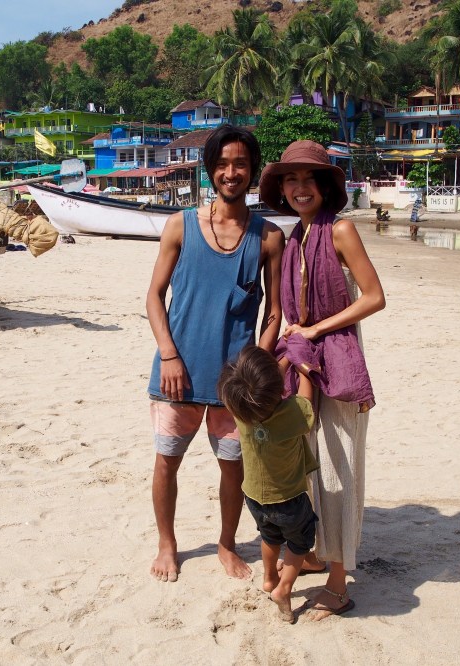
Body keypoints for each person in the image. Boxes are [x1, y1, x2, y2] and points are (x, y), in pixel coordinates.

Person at [146, 124, 285, 583]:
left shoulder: (268, 238)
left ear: (253, 170)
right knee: (167, 461)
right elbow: (154, 297)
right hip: (178, 375)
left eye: (240, 164)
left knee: (233, 468)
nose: (231, 172)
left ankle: (226, 544)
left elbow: (274, 311)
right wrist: (169, 354)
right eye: (222, 164)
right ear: (210, 170)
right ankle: (167, 544)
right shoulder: (180, 226)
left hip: (236, 383)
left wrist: (256, 369)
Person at [259, 140, 386, 619]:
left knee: (339, 467)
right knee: (309, 466)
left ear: (325, 186)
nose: (299, 188)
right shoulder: (296, 236)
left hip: (339, 362)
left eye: (308, 179)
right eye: (291, 180)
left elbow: (373, 297)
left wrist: (315, 329)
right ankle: (313, 553)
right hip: (305, 362)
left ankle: (338, 583)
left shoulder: (340, 230)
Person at [217, 345, 318, 623]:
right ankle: (283, 588)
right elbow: (307, 401)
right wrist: (302, 366)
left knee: (270, 537)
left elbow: (261, 388)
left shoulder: (241, 411)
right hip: (289, 498)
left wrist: (283, 361)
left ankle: (269, 577)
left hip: (254, 497)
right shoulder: (292, 414)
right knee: (300, 541)